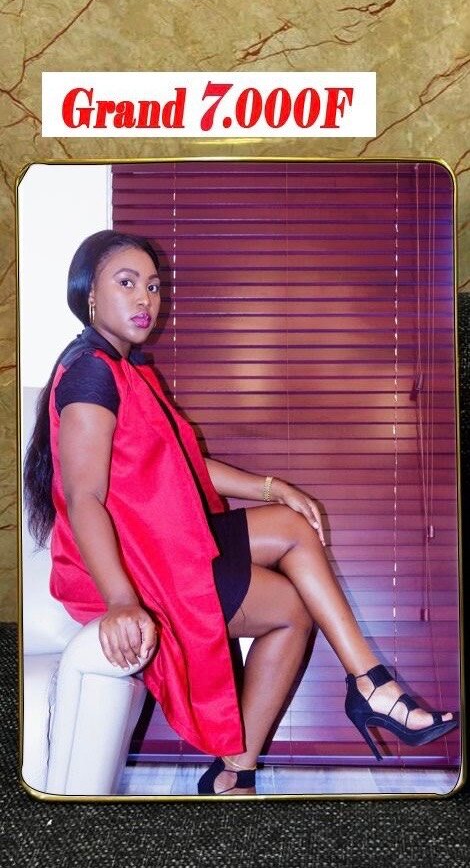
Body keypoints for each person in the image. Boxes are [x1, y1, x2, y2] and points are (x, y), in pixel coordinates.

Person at [24, 230, 458, 796]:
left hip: (157, 540)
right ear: (88, 295)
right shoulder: (91, 373)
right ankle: (258, 758)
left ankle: (357, 693)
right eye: (126, 283)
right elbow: (85, 498)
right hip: (134, 562)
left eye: (152, 286)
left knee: (292, 530)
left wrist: (272, 488)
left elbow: (183, 465)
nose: (145, 299)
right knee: (291, 610)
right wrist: (122, 600)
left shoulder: (128, 371)